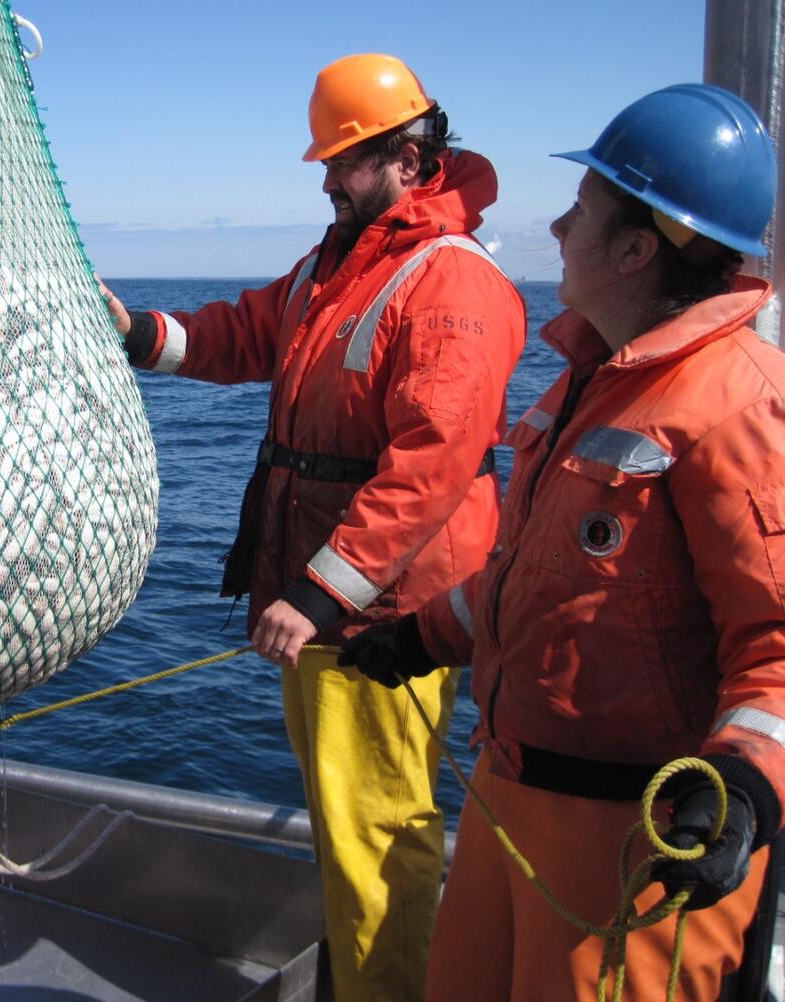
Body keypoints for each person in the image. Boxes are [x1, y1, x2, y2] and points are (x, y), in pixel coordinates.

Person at [345, 82, 785, 1001]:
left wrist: (743, 786)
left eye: (580, 210)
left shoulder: (738, 405)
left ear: (635, 248)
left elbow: (776, 646)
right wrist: (420, 637)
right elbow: (539, 577)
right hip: (512, 798)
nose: (554, 228)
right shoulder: (592, 379)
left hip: (634, 840)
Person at [101, 53, 526, 1001]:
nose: (328, 180)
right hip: (328, 604)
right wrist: (142, 333)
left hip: (381, 621)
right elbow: (246, 333)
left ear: (411, 161)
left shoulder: (449, 283)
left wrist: (319, 592)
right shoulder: (338, 267)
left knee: (376, 835)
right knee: (351, 823)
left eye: (347, 161)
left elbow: (430, 467)